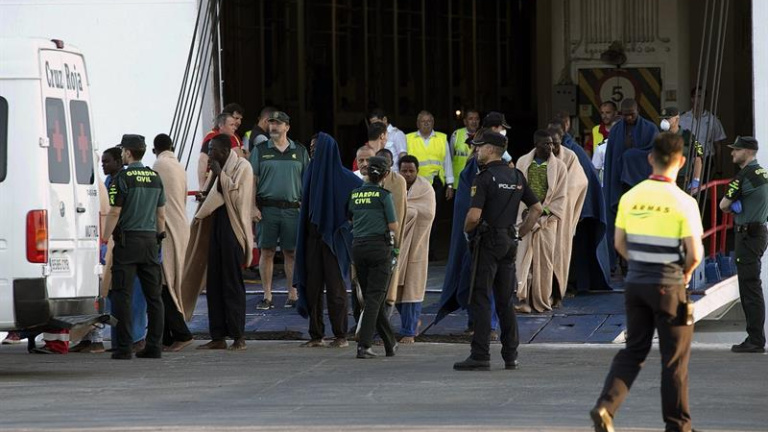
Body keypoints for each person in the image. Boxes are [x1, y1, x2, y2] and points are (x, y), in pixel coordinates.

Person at [591, 132, 703, 432]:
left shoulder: (631, 197)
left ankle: (606, 407)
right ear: (681, 161)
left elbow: (618, 243)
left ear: (651, 159)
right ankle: (678, 425)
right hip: (669, 285)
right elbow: (695, 254)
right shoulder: (684, 202)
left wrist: (640, 265)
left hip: (635, 284)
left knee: (634, 350)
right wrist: (684, 274)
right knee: (674, 360)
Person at [453, 131, 542, 371]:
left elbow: (473, 216)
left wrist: (466, 231)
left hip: (487, 242)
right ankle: (511, 355)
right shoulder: (516, 176)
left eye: (479, 147)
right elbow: (536, 208)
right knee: (505, 301)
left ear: (491, 149)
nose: (476, 151)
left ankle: (480, 354)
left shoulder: (483, 178)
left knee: (481, 298)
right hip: (508, 241)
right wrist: (520, 233)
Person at [71, 147, 148, 354]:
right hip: (107, 244)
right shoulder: (105, 182)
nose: (104, 165)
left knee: (115, 293)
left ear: (118, 161)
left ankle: (125, 338)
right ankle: (99, 338)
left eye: (107, 161)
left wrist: (105, 239)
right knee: (106, 293)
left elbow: (114, 213)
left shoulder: (116, 182)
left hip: (115, 243)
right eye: (102, 161)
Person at [184, 134, 254, 351]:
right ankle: (218, 336)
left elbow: (238, 198)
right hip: (215, 230)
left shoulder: (243, 167)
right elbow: (211, 196)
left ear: (224, 150)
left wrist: (220, 174)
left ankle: (238, 336)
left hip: (233, 231)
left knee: (232, 284)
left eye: (212, 149)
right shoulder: (216, 169)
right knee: (214, 285)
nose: (210, 154)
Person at [294, 133, 362, 348]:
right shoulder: (310, 172)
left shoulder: (345, 177)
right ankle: (316, 335)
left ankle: (340, 335)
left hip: (334, 241)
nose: (313, 152)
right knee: (312, 288)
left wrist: (347, 224)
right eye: (311, 149)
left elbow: (360, 198)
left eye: (317, 148)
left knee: (335, 289)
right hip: (312, 239)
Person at [102, 135, 166, 360]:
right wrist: (158, 237)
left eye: (122, 151)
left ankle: (124, 347)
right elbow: (161, 214)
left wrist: (105, 237)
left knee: (122, 295)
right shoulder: (155, 177)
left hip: (127, 243)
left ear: (128, 152)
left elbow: (114, 211)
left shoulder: (122, 177)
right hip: (150, 242)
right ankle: (154, 346)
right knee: (154, 298)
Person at [249, 111, 310, 309]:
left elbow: (307, 182)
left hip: (292, 209)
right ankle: (267, 295)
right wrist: (252, 206)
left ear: (287, 127)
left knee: (291, 252)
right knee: (266, 251)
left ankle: (292, 294)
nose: (273, 126)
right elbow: (252, 181)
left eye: (278, 123)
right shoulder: (260, 150)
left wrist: (306, 206)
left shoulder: (300, 151)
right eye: (271, 123)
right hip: (267, 209)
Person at [719, 136, 768, 354]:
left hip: (747, 236)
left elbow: (723, 205)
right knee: (752, 286)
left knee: (749, 288)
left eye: (736, 150)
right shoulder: (763, 173)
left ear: (747, 152)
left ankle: (755, 339)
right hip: (759, 232)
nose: (732, 153)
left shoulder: (744, 176)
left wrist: (734, 207)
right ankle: (756, 337)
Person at [348, 156, 399, 359]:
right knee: (374, 299)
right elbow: (393, 226)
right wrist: (396, 250)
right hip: (379, 248)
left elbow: (350, 218)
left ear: (367, 172)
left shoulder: (354, 194)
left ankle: (390, 343)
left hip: (358, 248)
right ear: (385, 174)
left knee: (371, 297)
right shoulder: (384, 196)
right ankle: (364, 345)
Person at [514, 131, 568, 313]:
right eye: (546, 144)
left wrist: (542, 213)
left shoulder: (560, 167)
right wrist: (526, 213)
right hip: (524, 220)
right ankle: (524, 300)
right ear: (536, 145)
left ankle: (543, 300)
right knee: (523, 260)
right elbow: (517, 191)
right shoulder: (523, 163)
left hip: (547, 221)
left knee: (545, 262)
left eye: (552, 144)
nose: (550, 147)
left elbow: (561, 197)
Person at [602, 98, 659, 270]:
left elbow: (655, 155)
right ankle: (623, 262)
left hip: (643, 186)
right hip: (621, 186)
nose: (628, 118)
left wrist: (631, 158)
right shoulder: (616, 131)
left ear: (638, 111)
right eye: (625, 115)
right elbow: (611, 159)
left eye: (631, 115)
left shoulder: (650, 129)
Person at [151, 134, 193, 352]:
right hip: (181, 226)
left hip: (167, 229)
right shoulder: (179, 166)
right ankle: (167, 336)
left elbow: (156, 202)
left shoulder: (159, 165)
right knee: (169, 282)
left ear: (154, 150)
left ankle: (181, 333)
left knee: (164, 283)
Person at [388, 155, 436, 343]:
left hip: (417, 245)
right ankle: (412, 323)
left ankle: (409, 331)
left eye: (411, 171)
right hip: (396, 245)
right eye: (404, 171)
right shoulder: (392, 186)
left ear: (417, 171)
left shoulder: (426, 189)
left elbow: (427, 213)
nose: (407, 174)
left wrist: (408, 211)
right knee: (395, 287)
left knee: (412, 288)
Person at [406, 110, 453, 259]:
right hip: (414, 184)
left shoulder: (441, 138)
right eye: (423, 121)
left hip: (435, 184)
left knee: (433, 218)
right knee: (415, 216)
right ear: (417, 123)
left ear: (433, 123)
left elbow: (447, 162)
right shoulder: (408, 139)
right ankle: (416, 250)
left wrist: (450, 184)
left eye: (429, 121)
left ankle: (430, 251)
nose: (426, 124)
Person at [659, 107, 703, 192]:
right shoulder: (659, 136)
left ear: (677, 119)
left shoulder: (688, 136)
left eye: (667, 118)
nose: (664, 121)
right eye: (663, 118)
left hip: (682, 181)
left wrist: (696, 180)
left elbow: (698, 158)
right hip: (663, 180)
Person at [679, 86, 726, 160]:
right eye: (698, 96)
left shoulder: (712, 119)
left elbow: (718, 145)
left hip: (707, 159)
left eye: (703, 97)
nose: (700, 99)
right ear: (692, 99)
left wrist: (719, 167)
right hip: (687, 159)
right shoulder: (682, 119)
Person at [197, 112, 242, 188]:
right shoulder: (211, 138)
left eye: (234, 125)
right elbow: (202, 160)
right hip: (212, 182)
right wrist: (202, 187)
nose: (235, 128)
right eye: (231, 125)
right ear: (221, 125)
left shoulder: (233, 137)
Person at [449, 109, 480, 186]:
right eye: (470, 119)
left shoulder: (483, 136)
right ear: (465, 122)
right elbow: (449, 159)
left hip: (477, 181)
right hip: (459, 181)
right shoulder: (456, 135)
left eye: (476, 119)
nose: (474, 122)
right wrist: (449, 184)